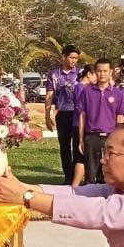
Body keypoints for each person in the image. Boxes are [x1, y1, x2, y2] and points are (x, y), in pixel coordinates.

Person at [77, 59, 124, 185]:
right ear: (95, 72)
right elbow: (82, 116)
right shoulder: (87, 91)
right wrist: (81, 139)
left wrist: (119, 139)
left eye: (105, 71)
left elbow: (120, 117)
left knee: (108, 172)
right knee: (90, 173)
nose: (102, 74)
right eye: (99, 71)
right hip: (92, 136)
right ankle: (88, 199)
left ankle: (106, 199)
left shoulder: (118, 93)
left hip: (110, 136)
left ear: (110, 72)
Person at [46, 45, 83, 183]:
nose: (74, 61)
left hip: (78, 113)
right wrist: (47, 116)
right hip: (62, 114)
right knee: (64, 147)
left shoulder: (81, 72)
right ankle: (68, 177)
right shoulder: (54, 74)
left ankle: (77, 177)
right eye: (71, 57)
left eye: (76, 58)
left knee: (77, 146)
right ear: (64, 57)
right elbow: (50, 95)